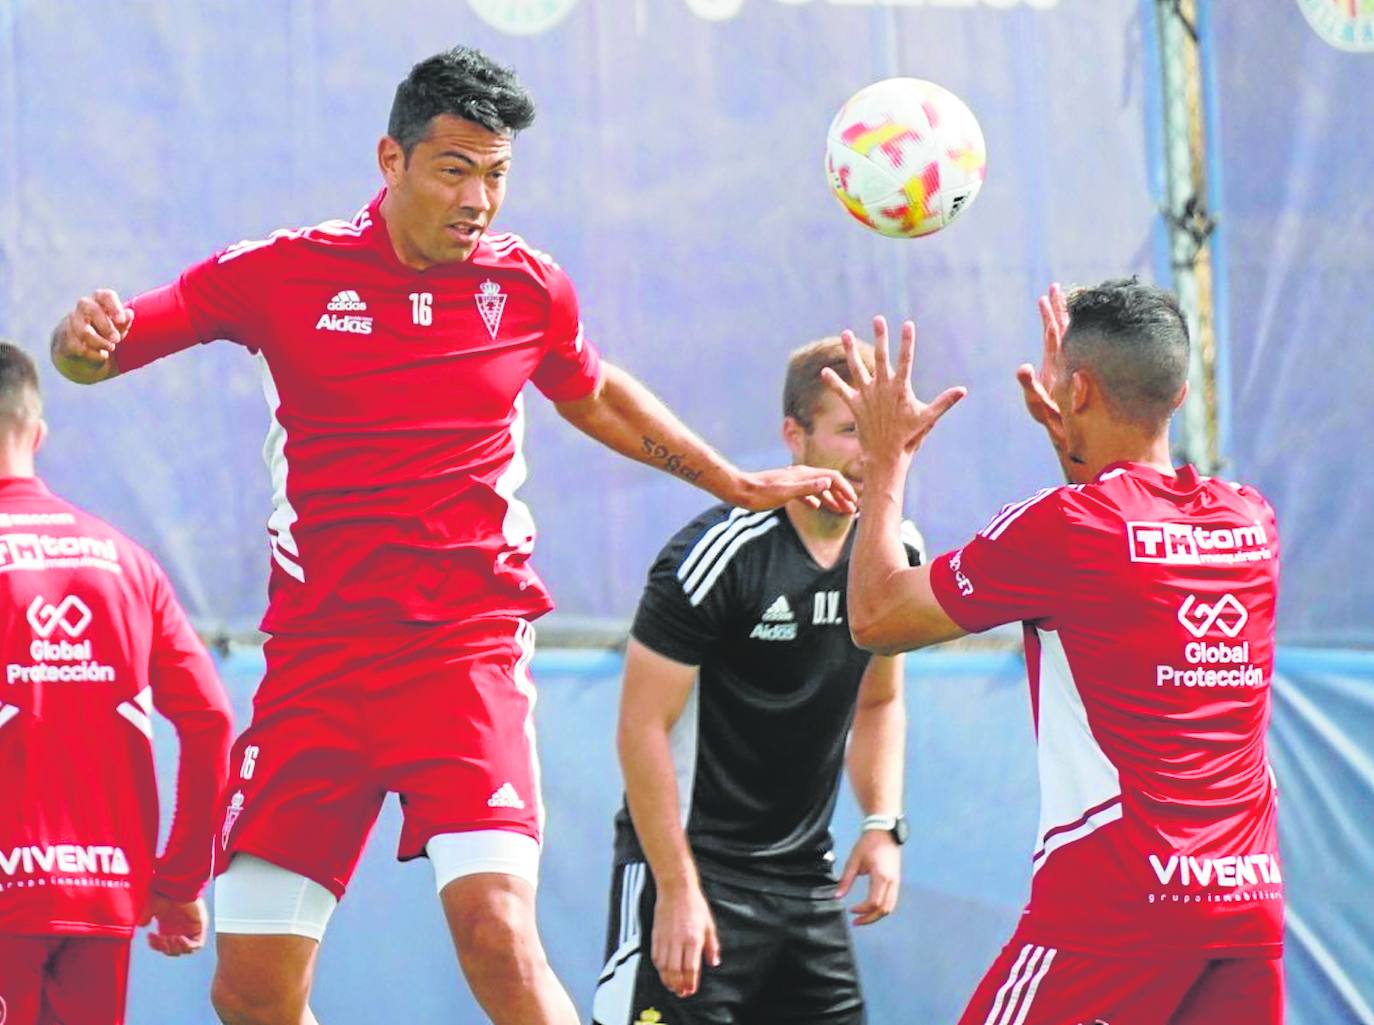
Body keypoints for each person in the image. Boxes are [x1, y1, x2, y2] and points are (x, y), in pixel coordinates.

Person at [49, 47, 854, 1025]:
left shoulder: (529, 287)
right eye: (455, 169)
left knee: (499, 936)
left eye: (497, 174)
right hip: (317, 667)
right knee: (251, 992)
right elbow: (102, 353)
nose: (478, 198)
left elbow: (591, 391)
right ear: (391, 159)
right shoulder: (282, 272)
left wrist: (731, 479)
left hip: (463, 658)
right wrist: (79, 345)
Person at [823, 279, 1284, 1025]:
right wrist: (1073, 436)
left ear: (1080, 388)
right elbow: (1127, 537)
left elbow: (876, 615)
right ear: (1176, 393)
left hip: (1114, 911)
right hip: (1245, 908)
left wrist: (885, 461)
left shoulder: (1065, 527)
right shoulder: (1250, 523)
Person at [593, 336, 920, 1025]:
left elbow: (880, 700)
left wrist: (882, 822)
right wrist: (676, 889)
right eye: (849, 431)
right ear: (794, 437)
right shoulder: (716, 554)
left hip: (805, 882)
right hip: (692, 873)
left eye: (880, 433)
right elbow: (640, 728)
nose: (868, 455)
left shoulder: (897, 552)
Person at [0, 341, 234, 1025]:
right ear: (37, 434)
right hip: (103, 894)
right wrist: (180, 877)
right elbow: (212, 719)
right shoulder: (127, 560)